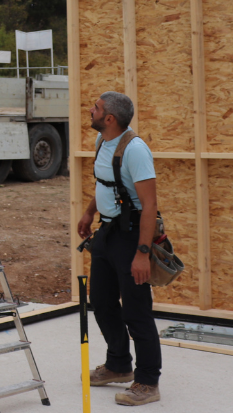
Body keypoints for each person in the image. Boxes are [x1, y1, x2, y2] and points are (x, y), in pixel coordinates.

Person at [77, 92, 161, 406]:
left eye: (96, 108)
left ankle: (148, 382)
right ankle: (118, 365)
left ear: (109, 118)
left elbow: (150, 205)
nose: (91, 110)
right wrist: (89, 212)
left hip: (132, 234)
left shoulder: (135, 150)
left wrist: (142, 252)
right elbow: (106, 184)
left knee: (136, 311)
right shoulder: (103, 142)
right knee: (100, 300)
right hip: (108, 232)